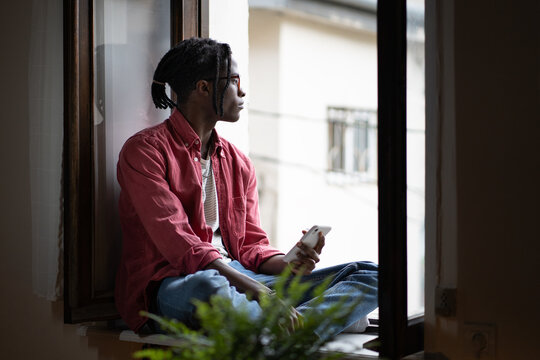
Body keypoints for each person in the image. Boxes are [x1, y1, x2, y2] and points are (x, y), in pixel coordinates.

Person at [115, 37, 378, 338]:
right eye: (234, 81)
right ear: (203, 88)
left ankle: (292, 327)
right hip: (176, 284)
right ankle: (317, 323)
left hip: (244, 280)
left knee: (373, 274)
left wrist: (290, 264)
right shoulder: (144, 152)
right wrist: (256, 290)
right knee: (208, 287)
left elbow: (251, 247)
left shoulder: (238, 162)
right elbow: (181, 244)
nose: (242, 92)